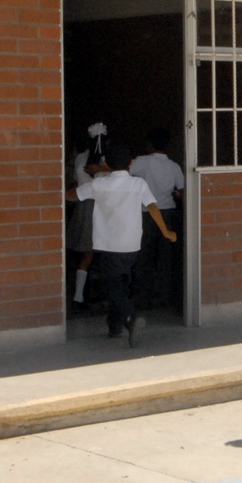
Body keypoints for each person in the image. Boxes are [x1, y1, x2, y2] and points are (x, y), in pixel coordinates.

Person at [65, 142, 177, 346]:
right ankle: (114, 326)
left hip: (108, 246)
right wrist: (166, 232)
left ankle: (130, 318)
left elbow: (72, 195)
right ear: (130, 163)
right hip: (132, 245)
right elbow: (152, 207)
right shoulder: (139, 184)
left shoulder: (99, 184)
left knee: (111, 287)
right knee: (121, 285)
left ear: (107, 163)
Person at [130, 127, 185, 312]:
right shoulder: (174, 166)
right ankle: (165, 296)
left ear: (149, 145)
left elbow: (124, 171)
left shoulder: (142, 161)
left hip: (146, 213)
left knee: (143, 257)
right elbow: (182, 190)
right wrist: (175, 194)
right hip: (167, 214)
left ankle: (143, 298)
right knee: (165, 257)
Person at [66, 122, 110, 308]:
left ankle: (78, 296)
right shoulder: (108, 160)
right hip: (104, 207)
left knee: (86, 254)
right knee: (104, 254)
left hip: (83, 206)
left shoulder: (80, 158)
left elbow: (75, 181)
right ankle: (100, 293)